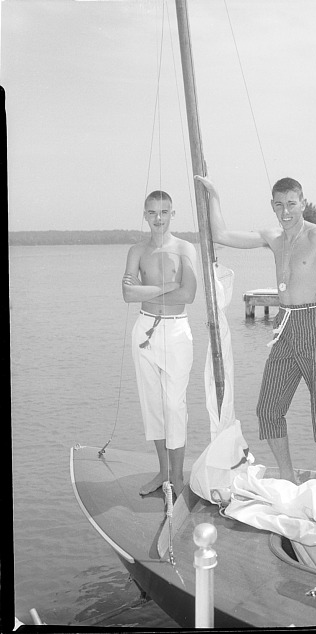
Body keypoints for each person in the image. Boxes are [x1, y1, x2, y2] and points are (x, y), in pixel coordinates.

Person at [195, 175, 316, 482]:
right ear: (272, 205)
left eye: (291, 204)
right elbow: (221, 235)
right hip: (285, 326)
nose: (286, 211)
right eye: (279, 205)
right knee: (268, 408)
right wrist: (214, 194)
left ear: (303, 203)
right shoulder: (273, 237)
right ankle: (288, 476)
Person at [122, 190, 197, 497]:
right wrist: (168, 287)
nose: (158, 219)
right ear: (145, 214)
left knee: (173, 405)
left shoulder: (184, 248)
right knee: (152, 405)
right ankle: (163, 472)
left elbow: (188, 295)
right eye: (152, 212)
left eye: (164, 212)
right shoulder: (136, 251)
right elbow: (127, 294)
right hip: (144, 330)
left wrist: (145, 290)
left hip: (176, 332)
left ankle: (177, 478)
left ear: (172, 214)